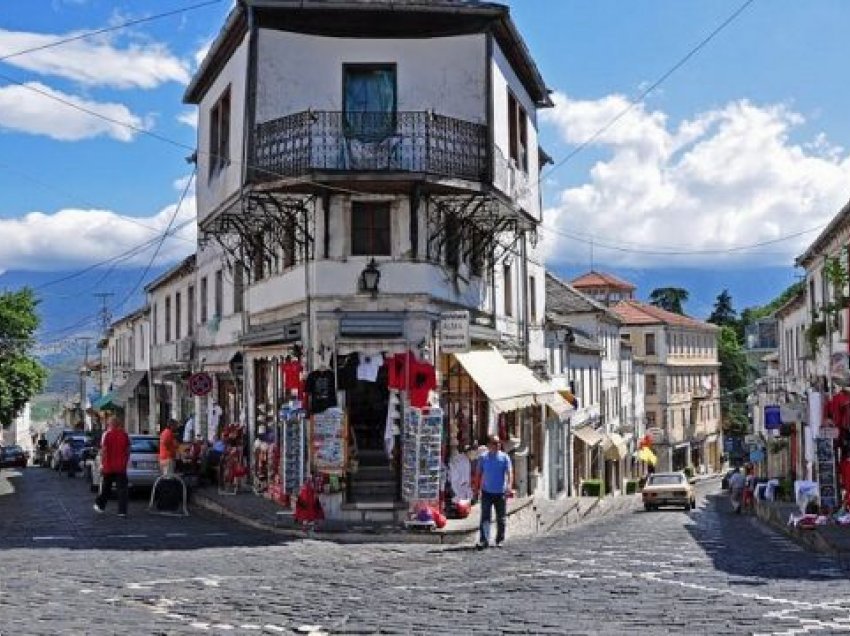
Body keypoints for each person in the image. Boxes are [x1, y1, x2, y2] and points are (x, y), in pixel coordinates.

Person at [475, 435, 513, 549]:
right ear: (489, 445)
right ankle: (484, 540)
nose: (497, 445)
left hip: (500, 492)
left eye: (498, 443)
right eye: (494, 443)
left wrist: (509, 486)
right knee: (485, 517)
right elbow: (478, 473)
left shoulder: (504, 457)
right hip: (486, 491)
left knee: (501, 518)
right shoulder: (483, 458)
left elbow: (510, 472)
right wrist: (477, 488)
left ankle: (499, 539)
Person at [94, 417, 131, 517]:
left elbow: (104, 451)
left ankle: (100, 506)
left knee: (106, 488)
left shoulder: (107, 435)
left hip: (109, 466)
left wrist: (102, 464)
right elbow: (128, 450)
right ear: (119, 424)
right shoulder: (124, 435)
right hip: (121, 467)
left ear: (110, 425)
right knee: (122, 490)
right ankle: (122, 511)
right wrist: (125, 461)